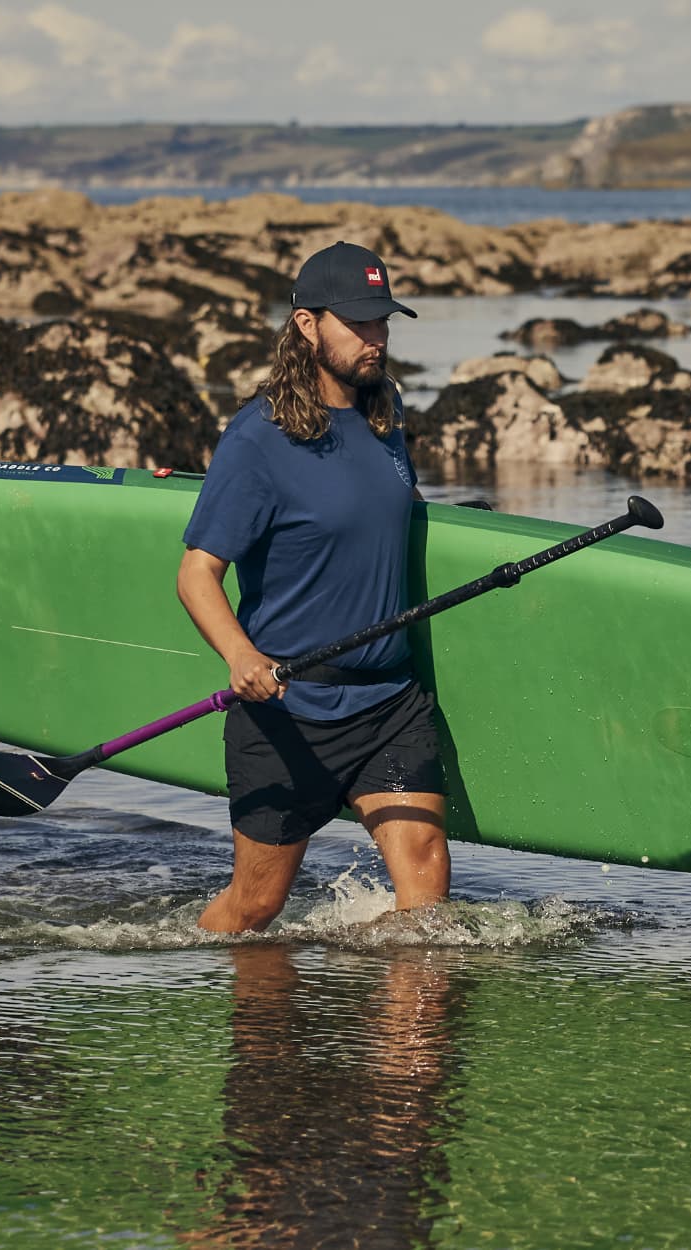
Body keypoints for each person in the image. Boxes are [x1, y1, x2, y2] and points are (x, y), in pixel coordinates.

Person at [177, 241, 449, 934]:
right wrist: (241, 657)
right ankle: (210, 993)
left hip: (390, 701)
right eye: (358, 323)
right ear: (306, 325)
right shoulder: (259, 438)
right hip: (288, 710)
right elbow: (197, 573)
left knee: (426, 904)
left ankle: (404, 1042)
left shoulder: (387, 417)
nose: (375, 338)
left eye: (383, 321)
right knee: (257, 908)